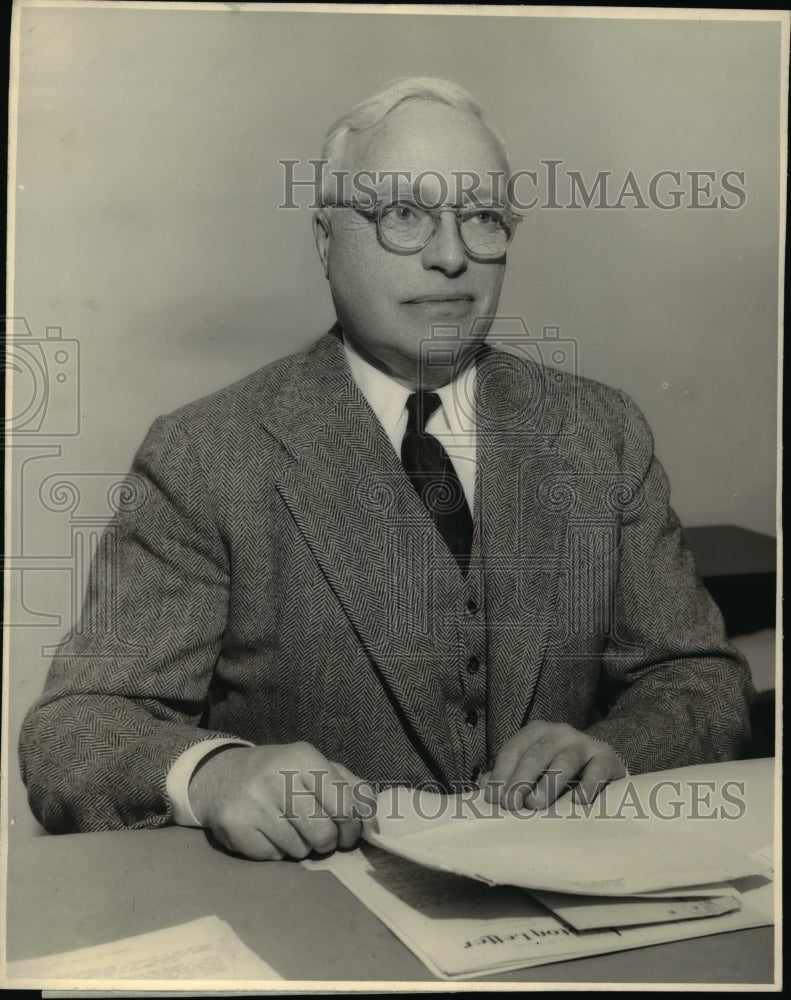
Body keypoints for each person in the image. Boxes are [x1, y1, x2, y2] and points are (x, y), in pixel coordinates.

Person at [19, 77, 755, 862]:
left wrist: (620, 750)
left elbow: (697, 678)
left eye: (480, 219)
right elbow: (74, 727)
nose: (448, 257)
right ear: (325, 239)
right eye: (404, 214)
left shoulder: (600, 434)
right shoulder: (205, 454)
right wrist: (214, 775)